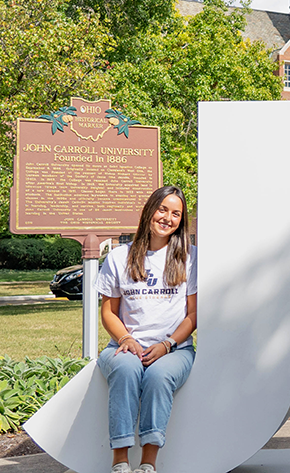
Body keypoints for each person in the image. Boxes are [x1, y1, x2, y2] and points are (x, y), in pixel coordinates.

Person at [97, 185, 197, 473]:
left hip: (175, 349)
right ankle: (120, 462)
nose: (167, 217)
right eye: (162, 209)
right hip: (123, 346)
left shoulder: (191, 257)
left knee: (158, 376)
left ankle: (147, 465)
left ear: (181, 220)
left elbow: (193, 315)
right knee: (126, 369)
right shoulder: (119, 257)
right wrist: (126, 339)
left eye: (176, 213)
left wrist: (167, 345)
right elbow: (108, 311)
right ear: (149, 211)